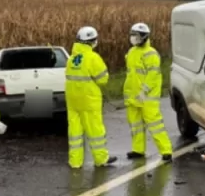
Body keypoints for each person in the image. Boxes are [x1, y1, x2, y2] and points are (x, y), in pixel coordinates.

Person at [65, 26, 117, 169]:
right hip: (89, 100)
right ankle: (101, 159)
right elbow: (103, 79)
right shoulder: (93, 57)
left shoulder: (71, 58)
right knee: (95, 130)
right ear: (92, 41)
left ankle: (75, 162)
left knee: (75, 132)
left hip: (72, 100)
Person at [123, 23, 173, 162]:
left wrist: (144, 91)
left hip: (147, 97)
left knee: (155, 125)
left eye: (136, 35)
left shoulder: (151, 53)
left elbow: (152, 75)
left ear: (144, 37)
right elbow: (131, 74)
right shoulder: (131, 52)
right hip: (133, 96)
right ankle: (138, 150)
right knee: (136, 126)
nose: (133, 38)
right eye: (132, 34)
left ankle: (166, 151)